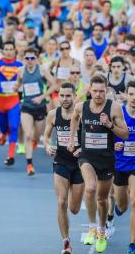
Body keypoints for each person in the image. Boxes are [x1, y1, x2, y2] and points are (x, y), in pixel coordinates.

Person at [68, 75, 129, 253]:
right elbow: (74, 118)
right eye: (94, 91)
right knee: (90, 188)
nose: (98, 94)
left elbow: (125, 134)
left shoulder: (114, 108)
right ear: (90, 91)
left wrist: (109, 125)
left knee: (102, 200)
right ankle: (92, 228)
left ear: (107, 90)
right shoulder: (82, 107)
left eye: (101, 91)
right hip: (87, 156)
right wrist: (72, 140)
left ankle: (102, 230)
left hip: (107, 160)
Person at [43, 82, 84, 254]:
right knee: (61, 201)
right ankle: (66, 241)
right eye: (62, 95)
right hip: (60, 161)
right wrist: (47, 146)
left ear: (74, 96)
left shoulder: (82, 115)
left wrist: (82, 149)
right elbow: (45, 137)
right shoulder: (53, 114)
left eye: (68, 96)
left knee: (74, 209)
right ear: (58, 96)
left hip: (80, 164)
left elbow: (92, 137)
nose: (65, 99)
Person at [112, 81, 135, 254]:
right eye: (131, 94)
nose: (134, 98)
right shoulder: (118, 112)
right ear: (126, 94)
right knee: (123, 205)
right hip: (119, 164)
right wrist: (114, 145)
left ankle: (132, 244)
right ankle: (118, 207)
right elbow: (107, 133)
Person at [18, 47, 55, 175]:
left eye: (32, 58)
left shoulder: (42, 70)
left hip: (40, 107)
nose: (29, 61)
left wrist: (41, 97)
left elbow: (54, 84)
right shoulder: (21, 71)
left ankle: (34, 141)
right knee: (27, 135)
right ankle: (29, 165)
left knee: (36, 136)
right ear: (24, 59)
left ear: (36, 59)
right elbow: (18, 84)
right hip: (26, 107)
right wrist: (15, 87)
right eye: (27, 58)